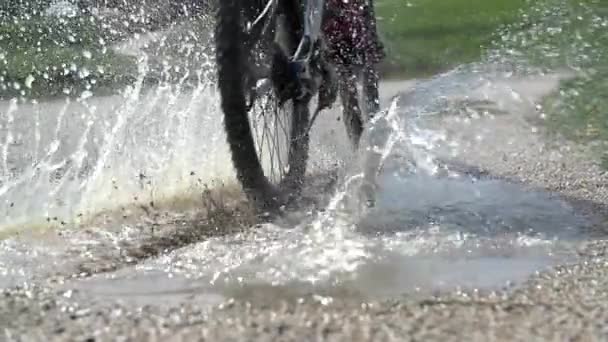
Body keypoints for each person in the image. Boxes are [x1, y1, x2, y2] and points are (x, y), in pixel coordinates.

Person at [322, 0, 385, 147]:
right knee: (347, 85)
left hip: (352, 17)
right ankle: (359, 142)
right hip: (333, 21)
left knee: (364, 73)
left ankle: (371, 131)